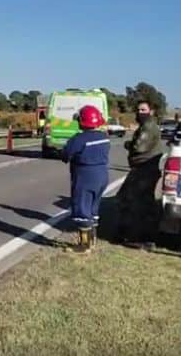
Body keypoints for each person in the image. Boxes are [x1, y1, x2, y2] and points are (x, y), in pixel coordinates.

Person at [61, 105, 110, 253]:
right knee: (93, 208)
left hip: (85, 176)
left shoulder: (79, 139)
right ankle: (93, 241)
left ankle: (84, 245)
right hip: (102, 175)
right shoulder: (104, 138)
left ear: (81, 121)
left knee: (82, 208)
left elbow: (65, 155)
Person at [117, 100, 164, 248]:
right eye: (138, 110)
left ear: (150, 111)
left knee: (134, 203)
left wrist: (128, 144)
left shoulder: (149, 127)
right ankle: (136, 235)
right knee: (140, 202)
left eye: (143, 110)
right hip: (143, 168)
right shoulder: (146, 125)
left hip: (145, 169)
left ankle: (139, 237)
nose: (140, 113)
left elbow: (139, 146)